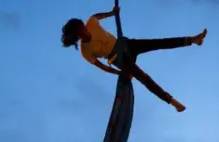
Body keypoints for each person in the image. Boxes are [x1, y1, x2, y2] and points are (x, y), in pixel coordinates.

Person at [61, 6, 208, 112]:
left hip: (125, 44)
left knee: (158, 43)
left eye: (84, 28)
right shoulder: (85, 51)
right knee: (143, 77)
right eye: (82, 32)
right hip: (118, 59)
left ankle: (193, 40)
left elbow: (97, 16)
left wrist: (112, 13)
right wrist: (119, 74)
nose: (86, 32)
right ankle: (172, 102)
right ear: (77, 36)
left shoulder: (90, 23)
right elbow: (102, 67)